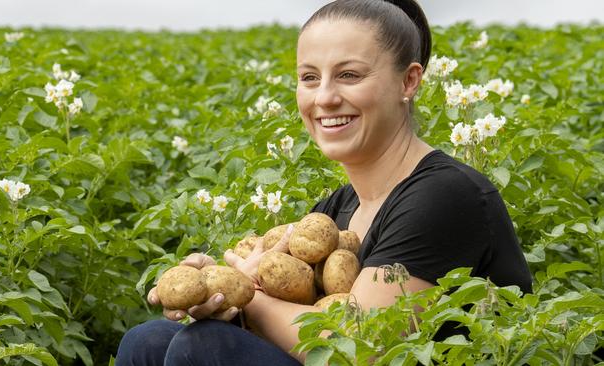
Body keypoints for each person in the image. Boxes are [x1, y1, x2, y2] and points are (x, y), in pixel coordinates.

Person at [115, 0, 533, 364]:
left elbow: (361, 349)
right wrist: (218, 293)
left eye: (349, 75)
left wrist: (249, 293)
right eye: (310, 77)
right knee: (148, 341)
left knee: (206, 347)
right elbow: (293, 319)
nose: (324, 98)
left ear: (409, 81)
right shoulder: (336, 208)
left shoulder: (445, 195)